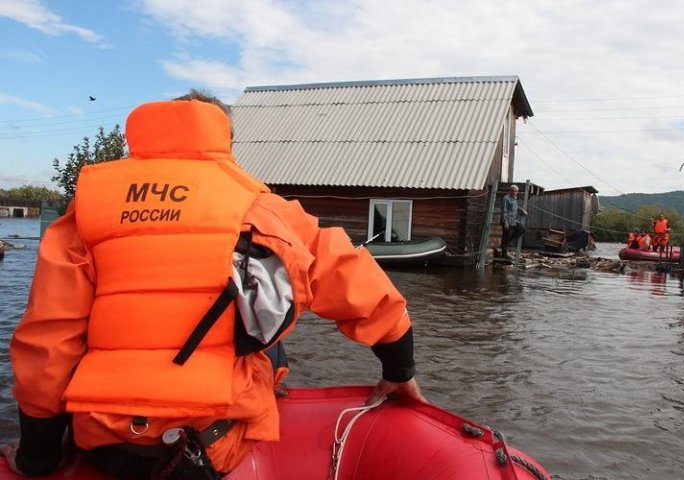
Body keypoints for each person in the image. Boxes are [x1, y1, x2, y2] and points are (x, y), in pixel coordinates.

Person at [0, 91, 426, 479]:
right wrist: (399, 369)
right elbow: (355, 280)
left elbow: (47, 340)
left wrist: (38, 457)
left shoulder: (89, 208)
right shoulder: (260, 206)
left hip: (110, 443)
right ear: (224, 140)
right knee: (268, 327)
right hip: (213, 441)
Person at [499, 184, 527, 258]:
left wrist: (522, 210)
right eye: (514, 191)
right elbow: (504, 211)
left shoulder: (514, 198)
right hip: (507, 221)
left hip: (513, 220)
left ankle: (509, 243)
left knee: (522, 229)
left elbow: (516, 206)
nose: (515, 193)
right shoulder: (506, 198)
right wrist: (506, 223)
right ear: (510, 191)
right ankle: (504, 254)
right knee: (505, 237)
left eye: (516, 191)